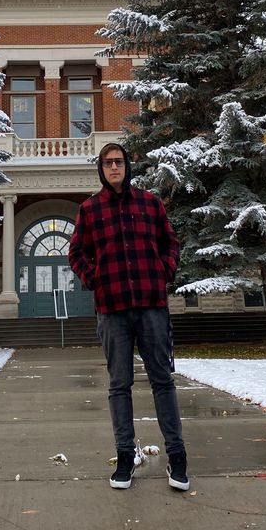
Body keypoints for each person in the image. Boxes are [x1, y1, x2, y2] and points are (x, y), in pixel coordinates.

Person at [68, 142, 189, 491]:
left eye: (118, 162)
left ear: (127, 166)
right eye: (107, 163)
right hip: (112, 310)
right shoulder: (90, 210)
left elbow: (171, 243)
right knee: (119, 384)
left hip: (151, 305)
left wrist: (164, 270)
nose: (114, 167)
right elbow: (76, 253)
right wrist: (96, 279)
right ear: (101, 169)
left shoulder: (150, 203)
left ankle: (177, 455)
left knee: (162, 380)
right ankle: (124, 455)